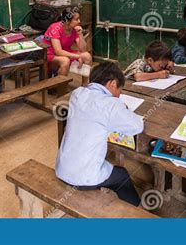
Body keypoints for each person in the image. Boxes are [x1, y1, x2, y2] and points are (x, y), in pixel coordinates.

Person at [56, 62, 143, 206]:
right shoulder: (111, 104)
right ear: (113, 84)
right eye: (120, 90)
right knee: (122, 174)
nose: (119, 95)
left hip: (61, 169)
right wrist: (123, 108)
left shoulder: (77, 93)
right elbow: (137, 126)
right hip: (83, 179)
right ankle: (136, 210)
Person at [42, 7, 92, 84]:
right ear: (67, 21)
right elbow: (58, 51)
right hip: (50, 54)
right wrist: (77, 56)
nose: (79, 21)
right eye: (76, 19)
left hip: (66, 52)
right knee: (65, 61)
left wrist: (80, 34)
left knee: (87, 56)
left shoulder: (74, 29)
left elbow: (83, 49)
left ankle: (84, 86)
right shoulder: (55, 28)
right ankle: (61, 89)